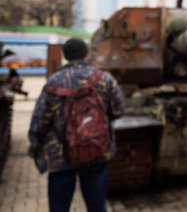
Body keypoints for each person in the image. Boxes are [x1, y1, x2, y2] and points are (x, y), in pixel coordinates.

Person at [28, 38, 125, 212]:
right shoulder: (104, 79)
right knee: (97, 206)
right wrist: (95, 125)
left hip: (61, 154)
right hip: (96, 149)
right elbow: (119, 109)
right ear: (86, 54)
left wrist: (35, 144)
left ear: (65, 56)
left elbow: (40, 121)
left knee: (59, 207)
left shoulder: (54, 82)